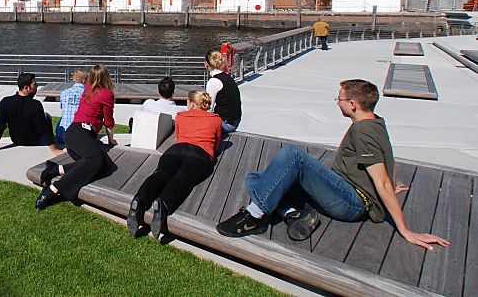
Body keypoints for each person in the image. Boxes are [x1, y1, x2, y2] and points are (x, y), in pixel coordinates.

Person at [216, 79, 450, 251]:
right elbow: (386, 159)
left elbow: (382, 180)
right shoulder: (375, 123)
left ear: (353, 104)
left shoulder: (363, 131)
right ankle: (293, 213)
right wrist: (384, 188)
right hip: (340, 190)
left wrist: (406, 230)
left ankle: (254, 218)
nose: (337, 103)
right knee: (256, 178)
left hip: (351, 202)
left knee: (292, 154)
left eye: (339, 99)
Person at [128, 90, 222, 239]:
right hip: (199, 153)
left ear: (191, 103)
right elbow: (216, 146)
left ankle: (139, 201)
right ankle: (163, 203)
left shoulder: (181, 116)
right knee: (182, 178)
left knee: (161, 174)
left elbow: (179, 136)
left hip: (176, 150)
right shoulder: (216, 119)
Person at [35, 64, 117, 211]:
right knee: (97, 159)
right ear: (106, 77)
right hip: (81, 132)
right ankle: (54, 189)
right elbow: (109, 122)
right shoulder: (106, 94)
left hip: (73, 134)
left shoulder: (88, 89)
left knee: (106, 164)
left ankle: (56, 169)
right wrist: (111, 141)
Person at [0, 73, 59, 154]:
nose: (37, 86)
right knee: (47, 116)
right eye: (34, 84)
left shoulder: (5, 102)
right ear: (26, 88)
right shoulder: (35, 105)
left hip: (16, 140)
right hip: (34, 140)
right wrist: (54, 149)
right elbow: (43, 128)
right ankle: (51, 140)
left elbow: (0, 124)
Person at [204, 48, 242, 133]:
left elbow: (208, 109)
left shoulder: (214, 81)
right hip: (234, 120)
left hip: (226, 123)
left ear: (207, 64)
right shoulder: (227, 77)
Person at [54, 70, 88, 149]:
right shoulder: (87, 94)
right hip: (79, 136)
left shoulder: (64, 93)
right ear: (84, 80)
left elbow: (63, 108)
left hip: (62, 134)